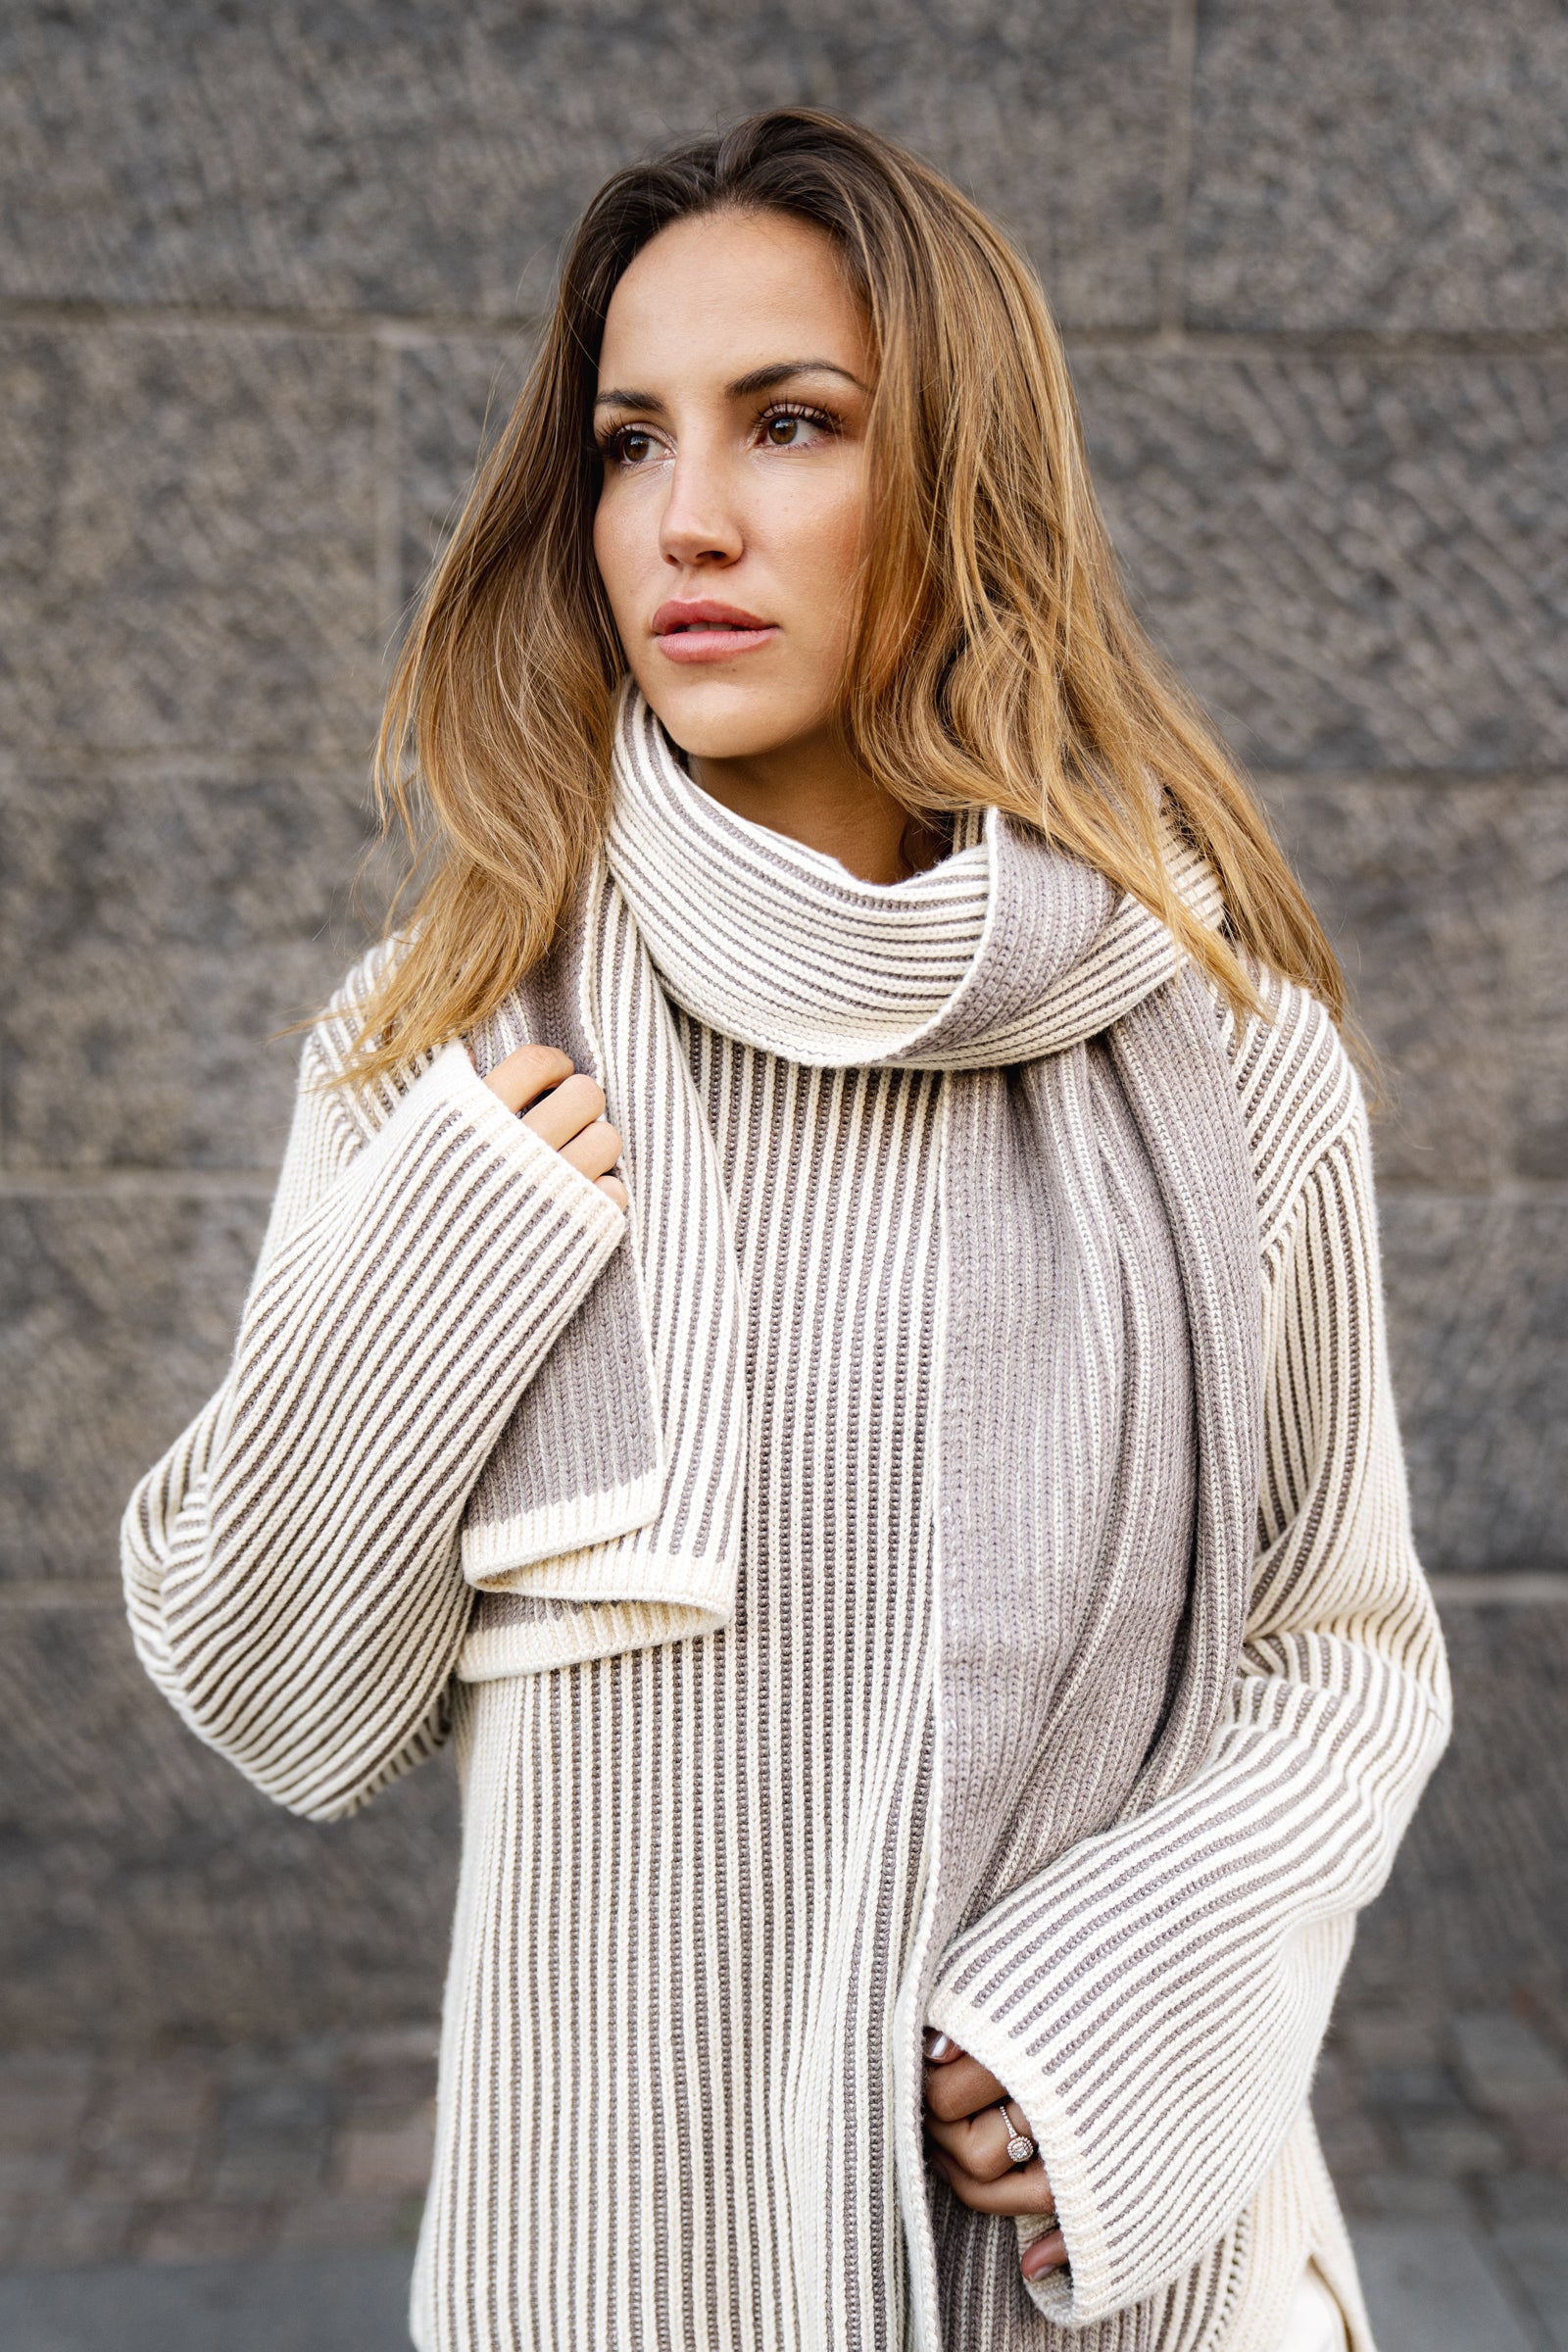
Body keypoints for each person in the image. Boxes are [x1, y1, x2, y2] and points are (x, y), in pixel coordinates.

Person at [122, 109, 1448, 2352]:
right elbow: (273, 1689)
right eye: (629, 443)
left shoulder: (1223, 1052)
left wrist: (1118, 2013)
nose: (687, 520)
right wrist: (441, 1266)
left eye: (793, 425)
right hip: (608, 2282)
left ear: (956, 483)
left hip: (1112, 2286)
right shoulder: (442, 1041)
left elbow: (1341, 1652)